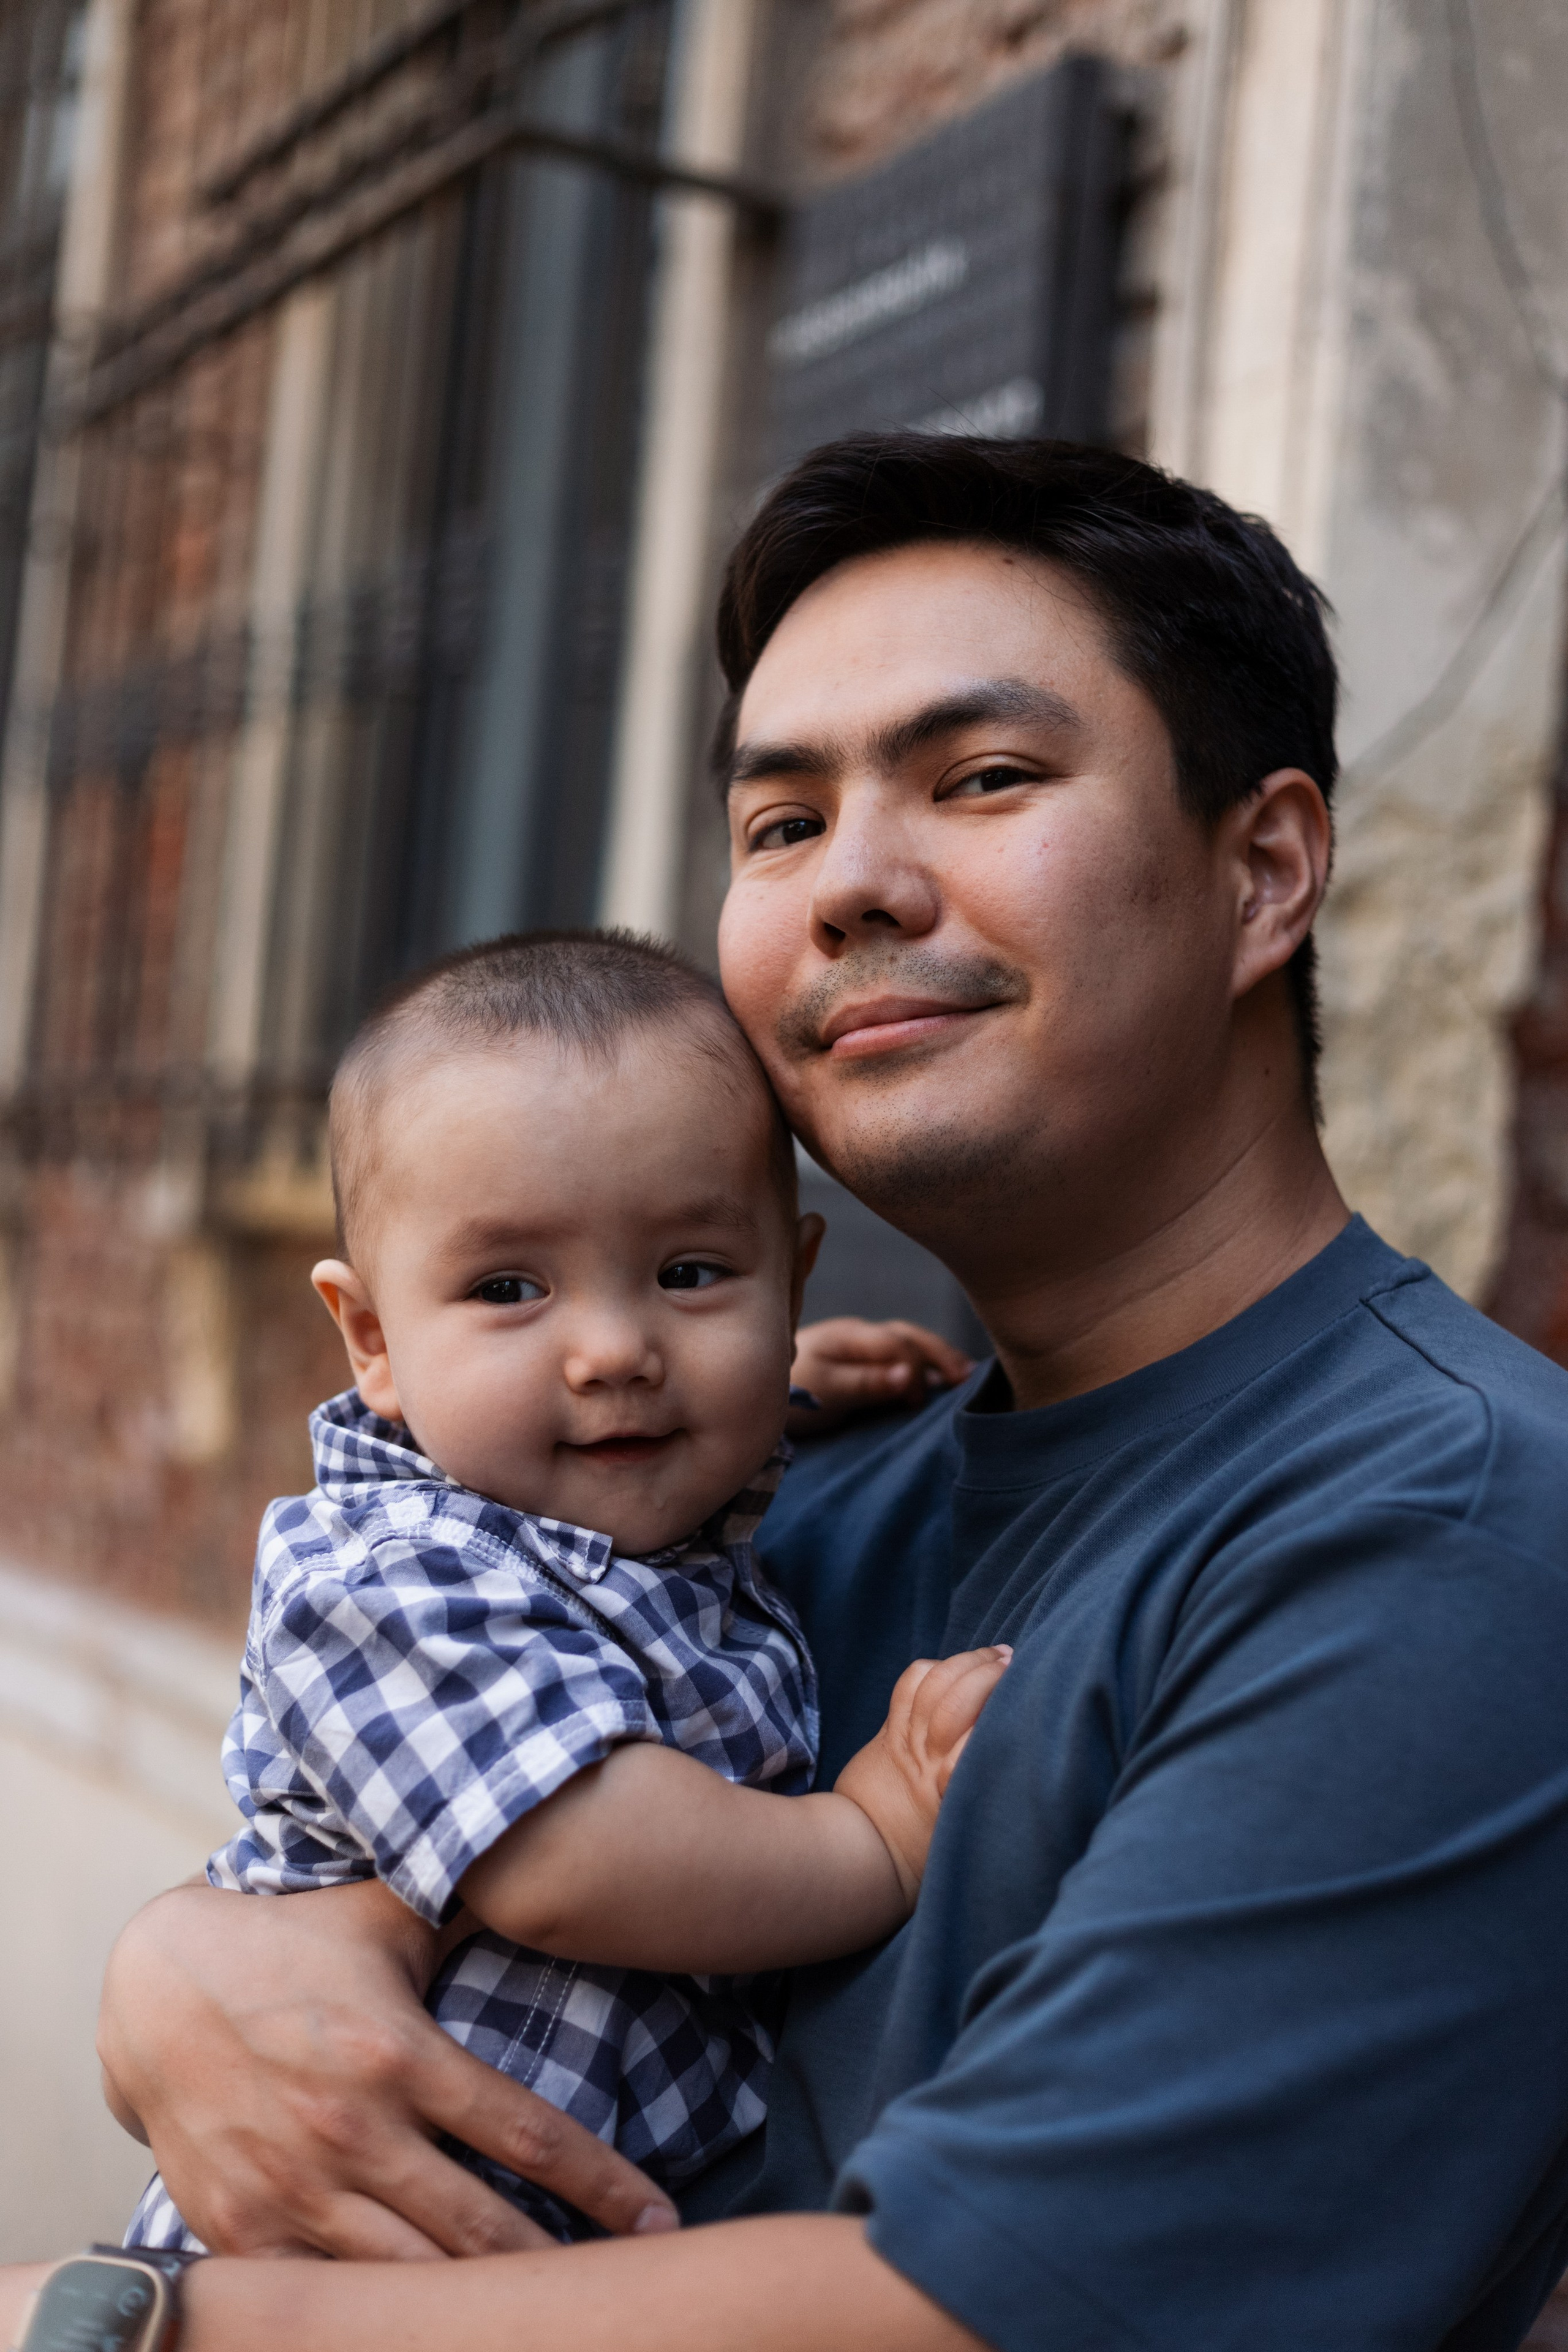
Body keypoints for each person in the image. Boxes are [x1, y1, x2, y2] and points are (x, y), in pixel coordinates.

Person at [10, 432, 1564, 2351]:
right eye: (778, 824)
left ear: (1263, 873)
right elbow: (469, 1830)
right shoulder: (782, 1484)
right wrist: (187, 1963)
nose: (849, 888)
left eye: (982, 779)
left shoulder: (1446, 1525)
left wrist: (115, 2324)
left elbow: (982, 2317)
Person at [125, 928, 1004, 2251]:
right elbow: (578, 1855)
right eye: (508, 1288)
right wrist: (870, 1840)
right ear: (372, 1338)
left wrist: (781, 1378)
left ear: (794, 1275)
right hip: (344, 2258)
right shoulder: (383, 1578)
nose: (612, 1351)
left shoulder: (641, 1497)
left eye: (691, 1273)